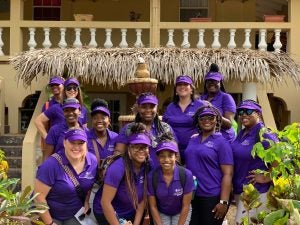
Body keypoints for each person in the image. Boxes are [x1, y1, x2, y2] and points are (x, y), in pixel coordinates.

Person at [34, 128, 97, 225]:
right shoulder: (51, 164)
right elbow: (39, 197)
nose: (76, 147)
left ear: (86, 144)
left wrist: (86, 201)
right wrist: (50, 223)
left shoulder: (92, 161)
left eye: (81, 143)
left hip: (75, 214)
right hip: (50, 215)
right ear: (64, 143)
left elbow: (89, 184)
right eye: (72, 142)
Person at [93, 123, 151, 225]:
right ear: (129, 149)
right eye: (136, 147)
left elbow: (142, 200)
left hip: (129, 211)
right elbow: (105, 203)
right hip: (106, 211)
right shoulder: (118, 167)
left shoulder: (148, 165)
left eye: (144, 147)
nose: (141, 151)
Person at [184, 105, 233, 225]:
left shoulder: (222, 143)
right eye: (202, 118)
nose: (207, 121)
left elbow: (228, 174)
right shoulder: (193, 139)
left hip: (211, 197)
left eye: (211, 117)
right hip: (192, 196)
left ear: (217, 119)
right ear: (198, 121)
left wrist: (224, 202)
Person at [231, 100, 278, 224]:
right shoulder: (242, 132)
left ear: (258, 114)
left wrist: (266, 177)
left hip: (256, 191)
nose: (243, 114)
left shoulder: (264, 134)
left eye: (249, 111)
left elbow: (279, 158)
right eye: (241, 111)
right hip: (240, 189)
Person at [115, 92, 176, 167]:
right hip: (136, 175)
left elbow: (176, 155)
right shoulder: (128, 129)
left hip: (160, 175)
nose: (148, 110)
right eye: (144, 107)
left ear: (157, 108)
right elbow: (118, 154)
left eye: (152, 107)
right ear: (138, 108)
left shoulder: (166, 128)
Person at [148, 135, 194, 225]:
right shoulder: (152, 176)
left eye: (170, 156)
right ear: (157, 158)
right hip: (162, 212)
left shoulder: (186, 175)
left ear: (176, 157)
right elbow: (153, 206)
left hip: (181, 211)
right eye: (162, 156)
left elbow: (186, 206)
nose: (166, 160)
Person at [163, 75, 206, 163]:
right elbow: (164, 126)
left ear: (191, 89)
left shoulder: (200, 105)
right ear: (176, 90)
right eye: (179, 84)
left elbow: (208, 125)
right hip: (173, 151)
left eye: (185, 84)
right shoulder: (170, 107)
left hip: (194, 149)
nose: (182, 86)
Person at [200, 63, 236, 142]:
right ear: (205, 83)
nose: (212, 83)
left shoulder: (226, 98)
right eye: (209, 81)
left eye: (215, 81)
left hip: (224, 139)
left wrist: (212, 109)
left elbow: (229, 124)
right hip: (206, 138)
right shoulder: (201, 98)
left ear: (220, 83)